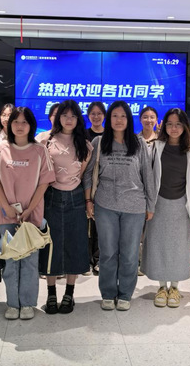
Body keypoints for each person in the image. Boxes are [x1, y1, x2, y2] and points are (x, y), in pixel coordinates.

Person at [0, 107, 55, 320]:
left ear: (31, 125)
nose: (20, 126)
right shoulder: (1, 148)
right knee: (11, 259)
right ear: (9, 124)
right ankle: (13, 304)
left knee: (30, 260)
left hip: (31, 215)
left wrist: (30, 209)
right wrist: (6, 206)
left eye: (25, 122)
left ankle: (27, 303)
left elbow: (44, 183)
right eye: (16, 121)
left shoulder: (39, 150)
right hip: (6, 214)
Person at [83, 100, 155, 312]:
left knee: (130, 254)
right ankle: (108, 293)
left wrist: (150, 205)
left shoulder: (138, 143)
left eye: (123, 116)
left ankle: (125, 293)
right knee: (108, 253)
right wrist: (88, 201)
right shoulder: (99, 142)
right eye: (115, 116)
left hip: (135, 206)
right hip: (105, 205)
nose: (119, 120)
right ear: (109, 118)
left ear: (129, 119)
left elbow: (148, 175)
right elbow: (88, 174)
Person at [142, 108, 190, 308]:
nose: (174, 128)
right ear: (163, 126)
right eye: (170, 124)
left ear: (185, 126)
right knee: (158, 245)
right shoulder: (155, 147)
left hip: (181, 203)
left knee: (178, 246)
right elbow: (148, 176)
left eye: (178, 124)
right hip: (158, 202)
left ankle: (174, 287)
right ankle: (161, 286)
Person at [39, 100, 92, 314]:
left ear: (78, 119)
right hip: (51, 196)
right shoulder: (45, 140)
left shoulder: (85, 144)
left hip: (75, 197)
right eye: (64, 115)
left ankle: (69, 294)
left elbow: (83, 175)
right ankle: (51, 294)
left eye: (73, 116)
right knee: (50, 245)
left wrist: (87, 201)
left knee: (75, 245)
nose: (68, 119)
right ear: (58, 117)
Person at [85, 101, 106, 275]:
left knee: (101, 225)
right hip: (85, 183)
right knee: (86, 224)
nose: (96, 116)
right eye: (93, 113)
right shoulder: (83, 134)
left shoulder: (109, 135)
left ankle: (98, 259)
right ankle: (86, 260)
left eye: (99, 113)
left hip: (103, 185)